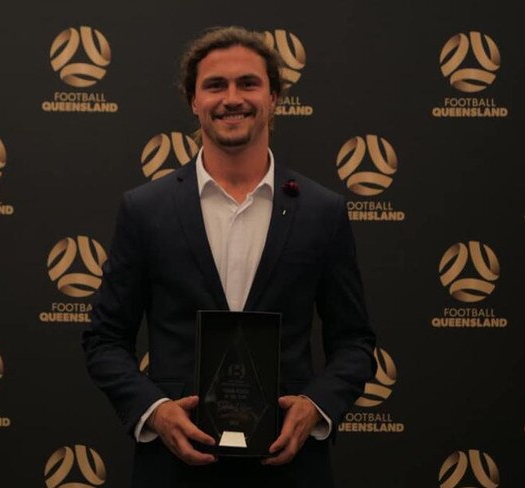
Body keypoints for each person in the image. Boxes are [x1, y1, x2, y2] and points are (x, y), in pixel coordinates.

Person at [82, 26, 375, 487]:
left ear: (275, 97)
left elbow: (355, 342)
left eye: (248, 83)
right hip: (174, 469)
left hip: (289, 467)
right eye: (215, 85)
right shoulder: (144, 210)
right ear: (193, 100)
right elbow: (104, 341)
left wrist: (315, 406)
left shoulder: (323, 211)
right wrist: (155, 412)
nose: (231, 98)